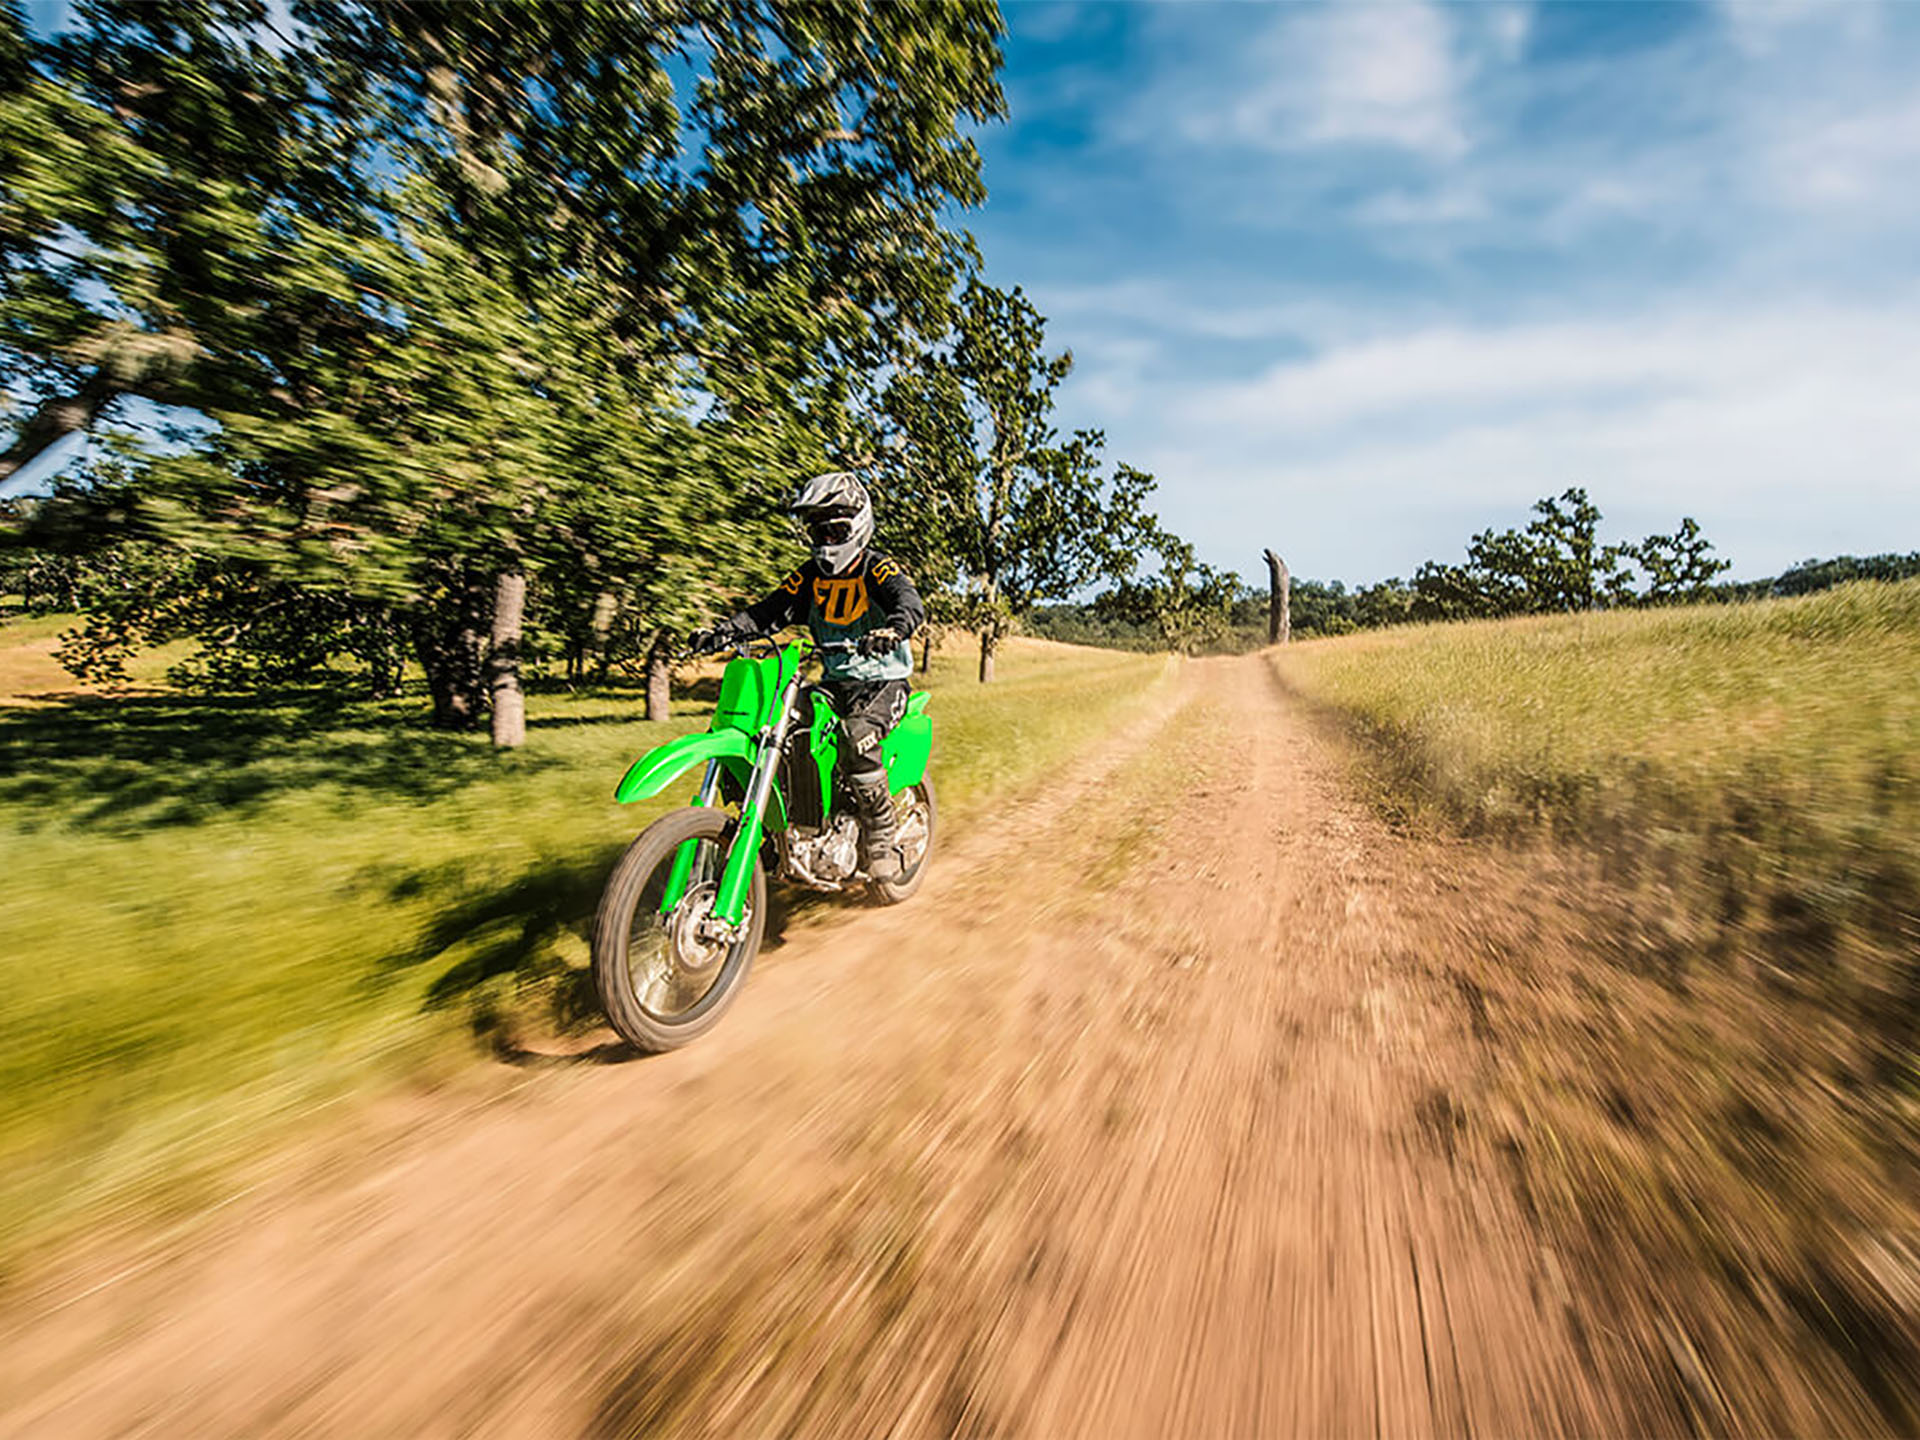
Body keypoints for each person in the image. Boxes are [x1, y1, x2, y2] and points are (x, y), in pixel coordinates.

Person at [688, 472, 925, 880]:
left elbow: (908, 600)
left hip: (882, 683)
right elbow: (769, 610)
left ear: (858, 525)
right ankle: (773, 828)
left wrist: (895, 629)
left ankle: (881, 831)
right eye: (820, 532)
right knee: (773, 728)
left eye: (836, 530)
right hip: (835, 681)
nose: (828, 542)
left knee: (856, 735)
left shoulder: (877, 568)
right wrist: (724, 632)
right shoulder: (809, 577)